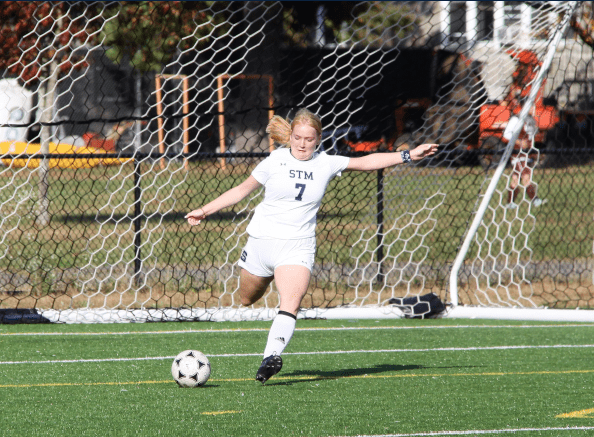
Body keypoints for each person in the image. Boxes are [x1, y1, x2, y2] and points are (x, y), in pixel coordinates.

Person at [185, 108, 439, 384]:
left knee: (290, 303)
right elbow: (241, 190)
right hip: (261, 243)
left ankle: (270, 358)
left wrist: (408, 155)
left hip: (297, 247)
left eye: (309, 139)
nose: (302, 144)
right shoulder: (275, 160)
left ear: (318, 139)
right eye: (297, 137)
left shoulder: (325, 163)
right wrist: (204, 210)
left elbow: (367, 162)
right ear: (290, 136)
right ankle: (267, 295)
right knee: (247, 298)